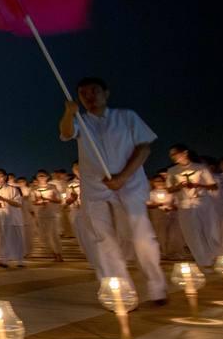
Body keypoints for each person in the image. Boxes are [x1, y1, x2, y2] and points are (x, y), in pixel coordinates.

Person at [59, 76, 167, 304]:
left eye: (93, 91)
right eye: (83, 94)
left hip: (129, 185)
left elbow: (144, 148)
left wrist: (123, 176)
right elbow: (67, 133)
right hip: (96, 189)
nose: (89, 97)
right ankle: (121, 292)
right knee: (104, 240)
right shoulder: (81, 122)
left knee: (141, 236)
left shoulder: (126, 117)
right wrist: (69, 112)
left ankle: (157, 287)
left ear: (105, 93)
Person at [166, 144, 220, 267]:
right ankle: (203, 261)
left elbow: (213, 185)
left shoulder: (200, 167)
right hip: (185, 205)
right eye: (171, 155)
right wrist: (179, 186)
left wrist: (198, 185)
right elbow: (169, 189)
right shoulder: (172, 171)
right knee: (191, 233)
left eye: (175, 153)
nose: (173, 157)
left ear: (185, 153)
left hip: (202, 203)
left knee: (209, 230)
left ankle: (215, 256)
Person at [30, 170, 65, 261]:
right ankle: (53, 253)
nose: (41, 177)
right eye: (39, 176)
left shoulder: (52, 187)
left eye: (43, 175)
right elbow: (33, 202)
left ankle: (59, 254)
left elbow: (59, 200)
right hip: (40, 214)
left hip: (51, 214)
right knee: (43, 236)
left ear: (47, 177)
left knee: (53, 234)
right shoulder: (34, 189)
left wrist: (48, 200)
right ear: (37, 178)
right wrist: (39, 202)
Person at [0, 169, 24, 267]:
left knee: (16, 239)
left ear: (5, 177)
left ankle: (20, 261)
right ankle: (4, 260)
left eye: (0, 176)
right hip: (0, 218)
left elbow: (18, 204)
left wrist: (3, 199)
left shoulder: (13, 189)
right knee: (3, 239)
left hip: (13, 218)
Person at [146, 174, 183, 259]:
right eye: (157, 181)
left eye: (161, 181)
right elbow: (148, 204)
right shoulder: (151, 193)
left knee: (173, 233)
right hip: (158, 215)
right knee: (160, 234)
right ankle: (162, 252)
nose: (159, 183)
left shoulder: (170, 192)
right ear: (153, 183)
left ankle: (174, 252)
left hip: (171, 215)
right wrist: (158, 205)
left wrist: (170, 207)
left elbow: (177, 204)